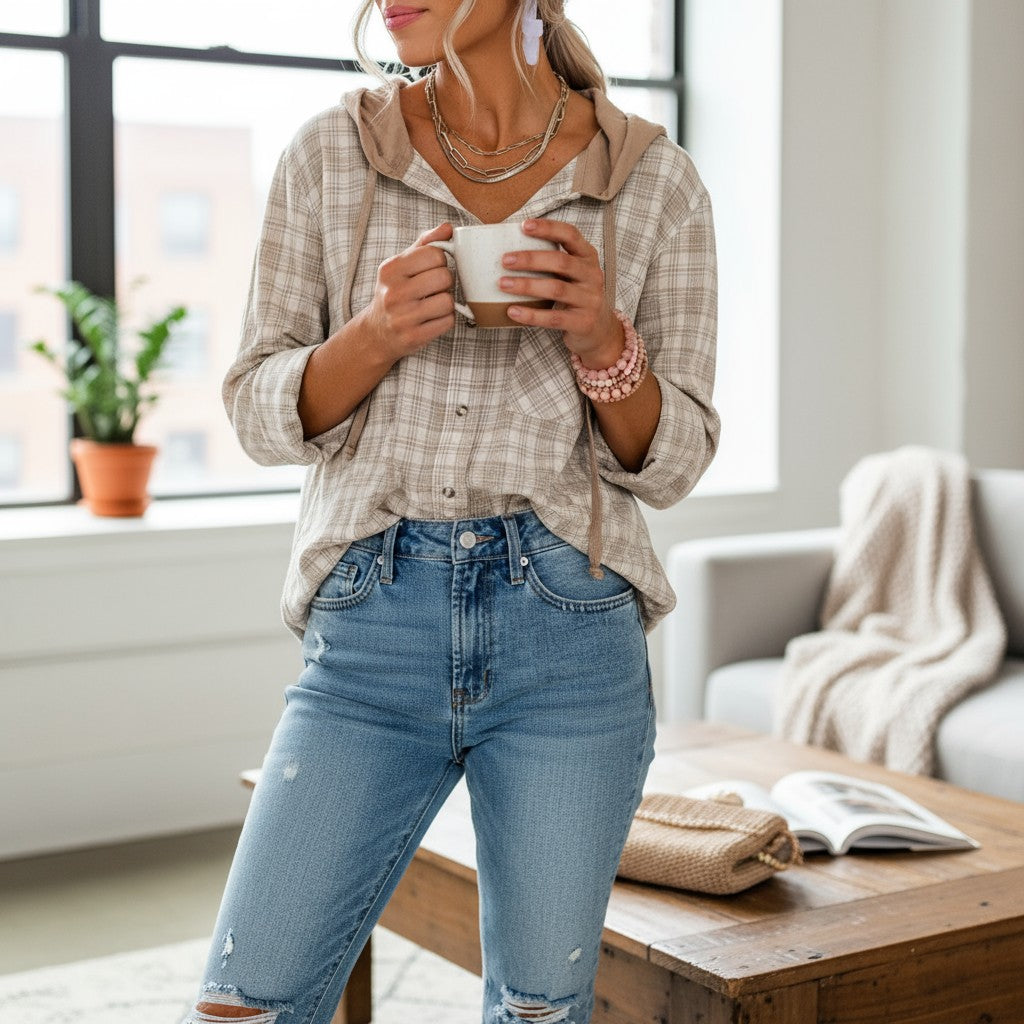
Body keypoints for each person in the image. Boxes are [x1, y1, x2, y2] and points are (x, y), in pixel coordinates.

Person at [184, 1, 718, 1021]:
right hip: (370, 630)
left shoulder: (655, 179)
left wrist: (604, 340)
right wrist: (375, 335)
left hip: (571, 631)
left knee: (537, 1010)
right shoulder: (331, 152)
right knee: (242, 1006)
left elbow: (674, 461)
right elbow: (255, 411)